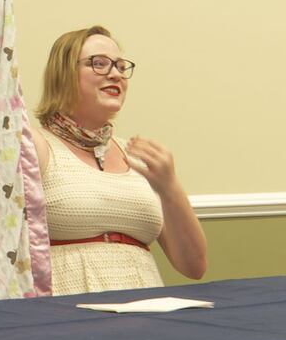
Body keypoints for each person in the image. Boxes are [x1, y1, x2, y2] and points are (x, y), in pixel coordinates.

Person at [28, 26, 207, 295]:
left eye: (121, 67)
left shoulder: (138, 157)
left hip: (146, 312)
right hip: (66, 315)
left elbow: (193, 266)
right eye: (98, 64)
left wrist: (170, 188)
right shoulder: (37, 146)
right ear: (62, 73)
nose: (115, 74)